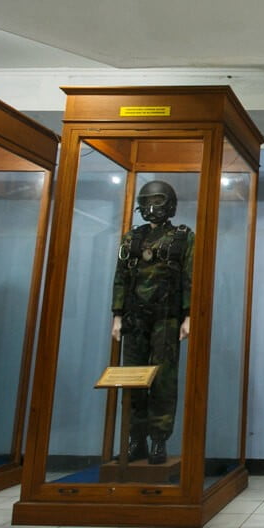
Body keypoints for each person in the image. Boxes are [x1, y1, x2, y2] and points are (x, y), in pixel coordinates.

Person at [110, 180, 193, 466]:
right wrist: (117, 315)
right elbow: (121, 277)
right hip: (134, 318)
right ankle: (136, 440)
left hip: (166, 318)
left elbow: (189, 278)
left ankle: (158, 441)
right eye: (146, 202)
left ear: (169, 205)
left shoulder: (182, 237)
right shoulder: (131, 238)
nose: (151, 207)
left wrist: (189, 315)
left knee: (163, 380)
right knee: (132, 380)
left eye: (158, 201)